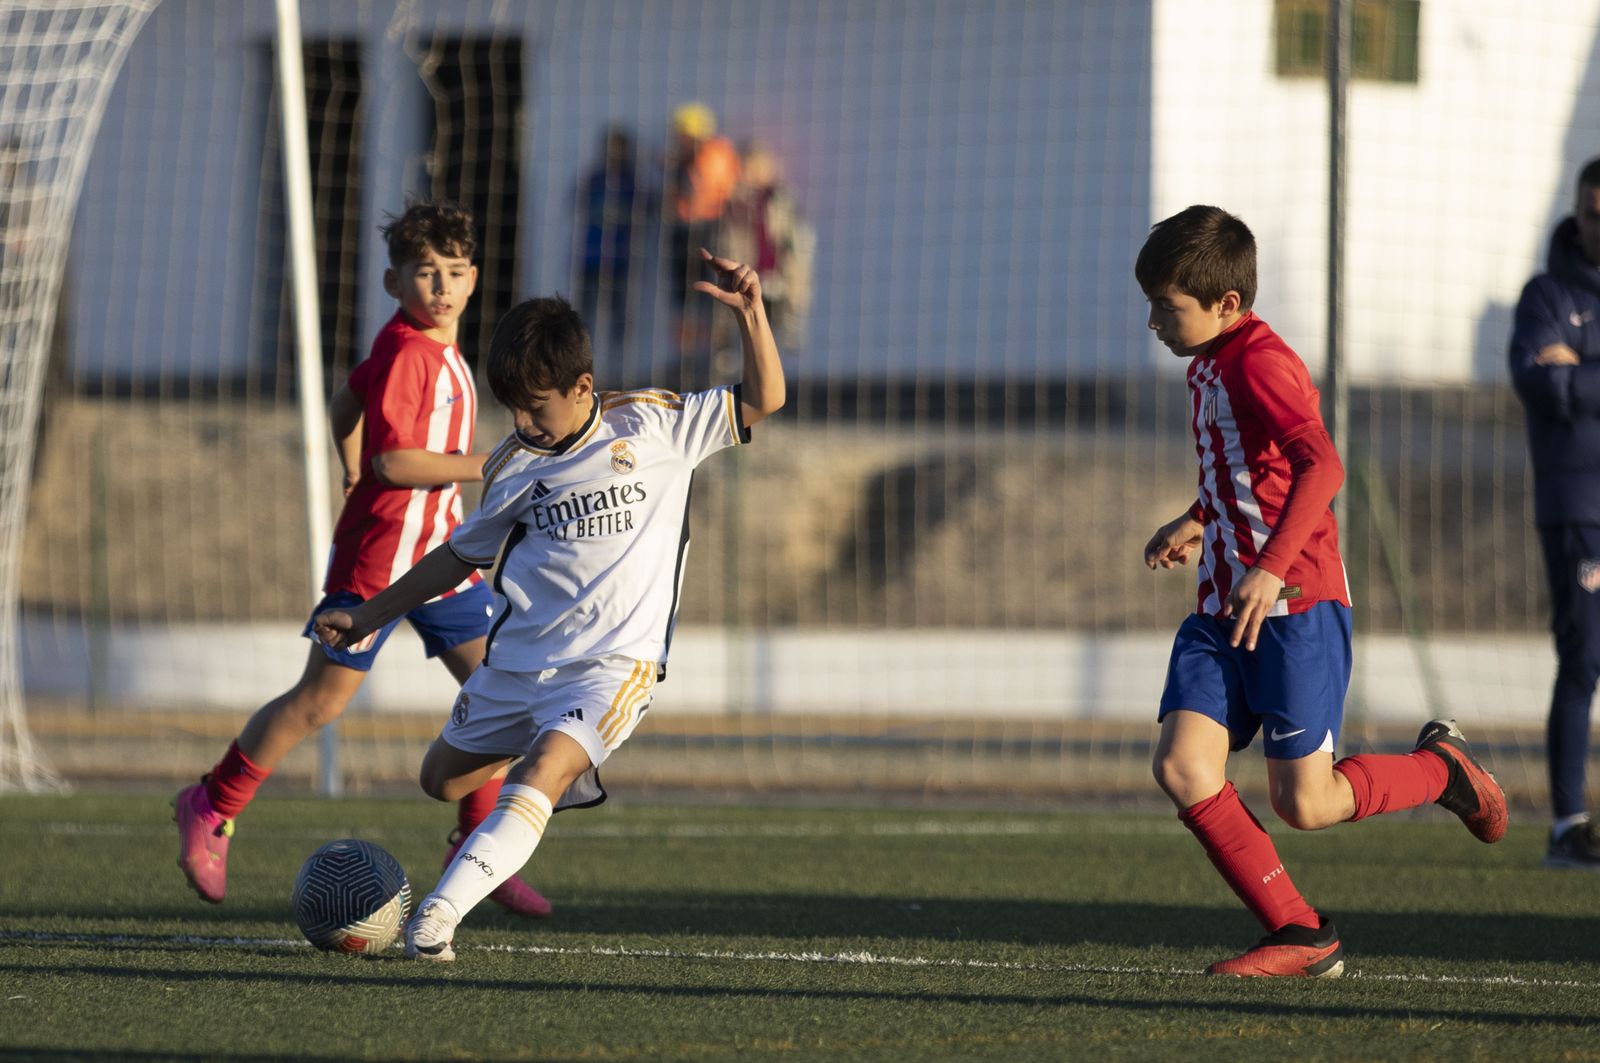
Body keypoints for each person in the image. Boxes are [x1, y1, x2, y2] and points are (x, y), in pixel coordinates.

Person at [314, 247, 784, 962]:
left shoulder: (653, 424)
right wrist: (370, 614)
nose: (524, 423)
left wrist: (753, 314)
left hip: (611, 667)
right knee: (439, 780)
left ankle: (437, 916)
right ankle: (506, 812)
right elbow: (455, 556)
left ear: (583, 386)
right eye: (513, 409)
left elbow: (762, 399)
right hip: (518, 662)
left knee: (545, 771)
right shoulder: (511, 463)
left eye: (536, 407)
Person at [1138, 205, 1507, 977]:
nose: (1153, 322)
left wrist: (1271, 565)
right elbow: (1252, 468)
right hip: (1223, 607)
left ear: (1226, 305)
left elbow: (1322, 466)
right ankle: (1301, 933)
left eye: (1166, 307)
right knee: (1182, 765)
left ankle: (1443, 769)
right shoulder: (1210, 360)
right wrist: (1199, 517)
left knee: (1306, 802)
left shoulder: (1260, 361)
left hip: (1294, 604)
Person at [173, 200, 550, 917]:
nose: (441, 285)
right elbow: (396, 459)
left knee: (504, 697)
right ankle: (210, 803)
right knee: (321, 700)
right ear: (392, 279)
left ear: (474, 281)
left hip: (442, 559)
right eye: (425, 272)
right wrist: (492, 462)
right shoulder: (413, 353)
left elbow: (346, 405)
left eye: (455, 271)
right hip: (381, 557)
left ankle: (478, 848)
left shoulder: (416, 344)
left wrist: (350, 464)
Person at [1509, 157, 1600, 869]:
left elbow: (1575, 383)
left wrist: (1582, 372)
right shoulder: (1544, 295)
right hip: (1579, 508)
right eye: (1592, 212)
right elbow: (1547, 387)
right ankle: (1569, 825)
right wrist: (1568, 380)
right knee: (1584, 658)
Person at [663, 103, 741, 384]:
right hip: (692, 232)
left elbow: (692, 196)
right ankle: (690, 358)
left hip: (704, 231)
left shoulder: (707, 158)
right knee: (686, 300)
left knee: (707, 298)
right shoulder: (710, 156)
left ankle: (713, 358)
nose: (676, 140)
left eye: (681, 134)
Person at [717, 144, 814, 354]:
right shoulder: (735, 201)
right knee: (747, 330)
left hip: (778, 275)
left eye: (757, 166)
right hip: (748, 274)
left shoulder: (779, 198)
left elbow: (796, 233)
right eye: (747, 167)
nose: (752, 172)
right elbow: (729, 238)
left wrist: (794, 261)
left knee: (775, 331)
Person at [574, 124, 645, 349]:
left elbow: (645, 210)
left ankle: (617, 362)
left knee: (619, 314)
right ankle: (582, 354)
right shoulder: (595, 178)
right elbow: (578, 201)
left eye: (618, 148)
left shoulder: (631, 183)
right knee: (585, 313)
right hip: (590, 256)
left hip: (619, 258)